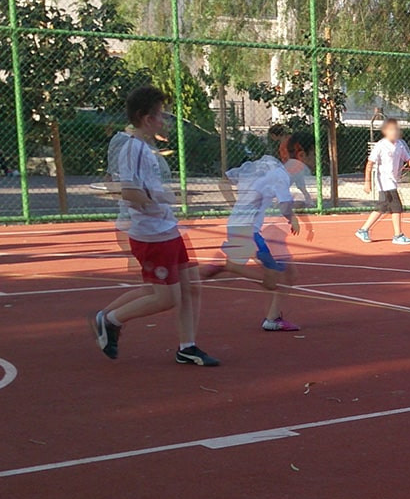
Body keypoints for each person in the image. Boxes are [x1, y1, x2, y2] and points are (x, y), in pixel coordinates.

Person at [91, 85, 219, 366]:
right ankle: (111, 320)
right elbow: (129, 191)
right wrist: (160, 199)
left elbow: (142, 188)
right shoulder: (132, 148)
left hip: (165, 228)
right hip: (151, 233)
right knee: (165, 298)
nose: (164, 120)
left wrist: (165, 198)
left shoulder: (143, 147)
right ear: (146, 118)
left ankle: (187, 347)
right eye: (160, 115)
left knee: (190, 286)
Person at [203, 131, 316, 331]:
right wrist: (293, 219)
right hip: (250, 231)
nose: (315, 158)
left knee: (288, 274)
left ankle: (272, 318)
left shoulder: (275, 171)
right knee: (274, 279)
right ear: (301, 155)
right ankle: (226, 266)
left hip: (247, 228)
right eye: (313, 154)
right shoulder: (280, 174)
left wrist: (238, 207)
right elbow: (284, 206)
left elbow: (228, 181)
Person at [356, 118, 410, 245]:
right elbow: (369, 164)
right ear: (385, 131)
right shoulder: (380, 145)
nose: (394, 132)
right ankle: (398, 235)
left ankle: (363, 230)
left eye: (396, 129)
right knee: (396, 206)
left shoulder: (400, 144)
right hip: (384, 181)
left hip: (392, 181)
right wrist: (367, 182)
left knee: (383, 207)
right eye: (391, 129)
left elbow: (409, 160)